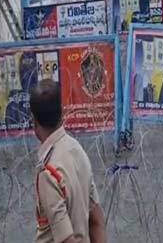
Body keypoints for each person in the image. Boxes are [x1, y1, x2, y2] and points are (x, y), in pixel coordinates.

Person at [30, 79, 106, 243]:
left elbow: (66, 240)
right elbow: (96, 221)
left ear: (34, 121)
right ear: (62, 112)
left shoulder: (49, 174)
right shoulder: (77, 150)